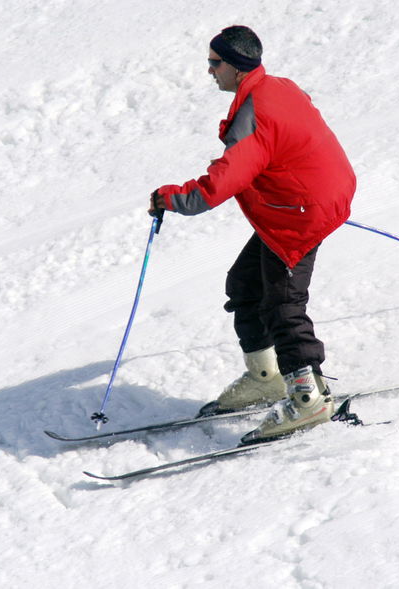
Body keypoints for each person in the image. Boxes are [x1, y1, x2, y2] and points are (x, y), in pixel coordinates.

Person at [149, 25, 356, 444]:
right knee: (244, 283)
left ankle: (307, 399)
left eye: (215, 63)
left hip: (300, 213)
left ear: (238, 66)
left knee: (282, 303)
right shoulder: (277, 87)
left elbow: (216, 188)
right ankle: (268, 378)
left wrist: (167, 199)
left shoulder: (252, 117)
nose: (209, 71)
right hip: (301, 202)